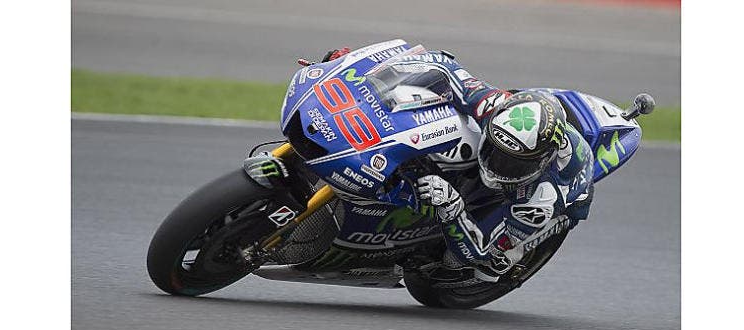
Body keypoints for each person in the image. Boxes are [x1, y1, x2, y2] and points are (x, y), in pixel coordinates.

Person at [246, 46, 595, 282]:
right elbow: (441, 64)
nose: (499, 160)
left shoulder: (541, 197)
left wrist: (452, 207)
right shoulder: (493, 107)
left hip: (526, 213)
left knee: (473, 265)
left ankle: (487, 248)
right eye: (498, 149)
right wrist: (354, 64)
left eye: (512, 160)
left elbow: (480, 251)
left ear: (540, 158)